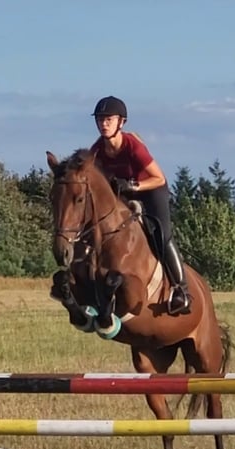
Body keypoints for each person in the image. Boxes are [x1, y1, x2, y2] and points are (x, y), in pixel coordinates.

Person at [89, 95, 192, 315]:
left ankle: (181, 291)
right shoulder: (96, 150)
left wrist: (133, 185)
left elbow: (159, 178)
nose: (103, 123)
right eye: (100, 119)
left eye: (109, 119)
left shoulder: (132, 146)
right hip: (123, 193)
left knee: (161, 235)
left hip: (151, 189)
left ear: (121, 122)